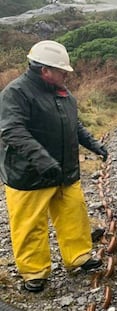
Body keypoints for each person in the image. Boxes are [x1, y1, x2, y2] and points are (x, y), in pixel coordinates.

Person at [0, 40, 108, 292]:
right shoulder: (15, 93)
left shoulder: (63, 93)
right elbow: (11, 130)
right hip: (29, 175)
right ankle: (34, 272)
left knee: (74, 214)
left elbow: (74, 125)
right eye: (62, 71)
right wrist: (42, 159)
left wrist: (93, 144)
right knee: (30, 224)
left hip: (65, 172)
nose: (67, 75)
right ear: (44, 70)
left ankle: (79, 256)